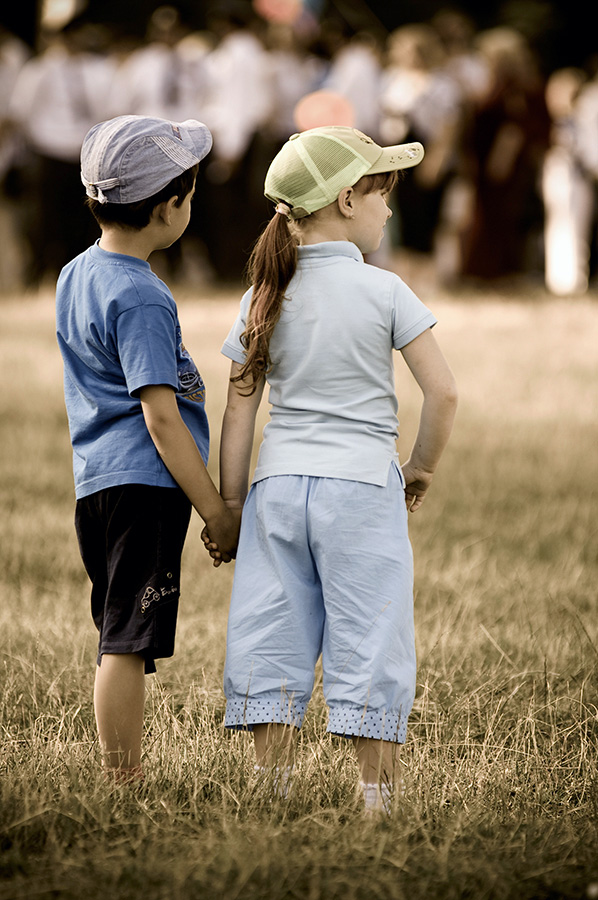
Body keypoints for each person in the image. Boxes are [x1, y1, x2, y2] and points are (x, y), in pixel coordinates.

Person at [204, 125, 458, 813]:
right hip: (361, 487)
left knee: (271, 630)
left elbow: (238, 412)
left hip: (278, 489)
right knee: (371, 632)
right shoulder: (384, 291)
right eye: (383, 196)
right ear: (348, 200)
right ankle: (376, 799)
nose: (389, 211)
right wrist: (421, 467)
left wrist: (231, 506)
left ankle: (271, 791)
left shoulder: (263, 293)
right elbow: (444, 392)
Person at [56, 115, 240, 781]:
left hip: (97, 483)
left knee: (117, 633)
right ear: (169, 208)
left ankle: (119, 771)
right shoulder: (141, 297)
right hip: (143, 488)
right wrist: (217, 511)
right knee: (126, 643)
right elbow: (160, 418)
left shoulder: (77, 274)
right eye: (188, 196)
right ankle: (123, 778)